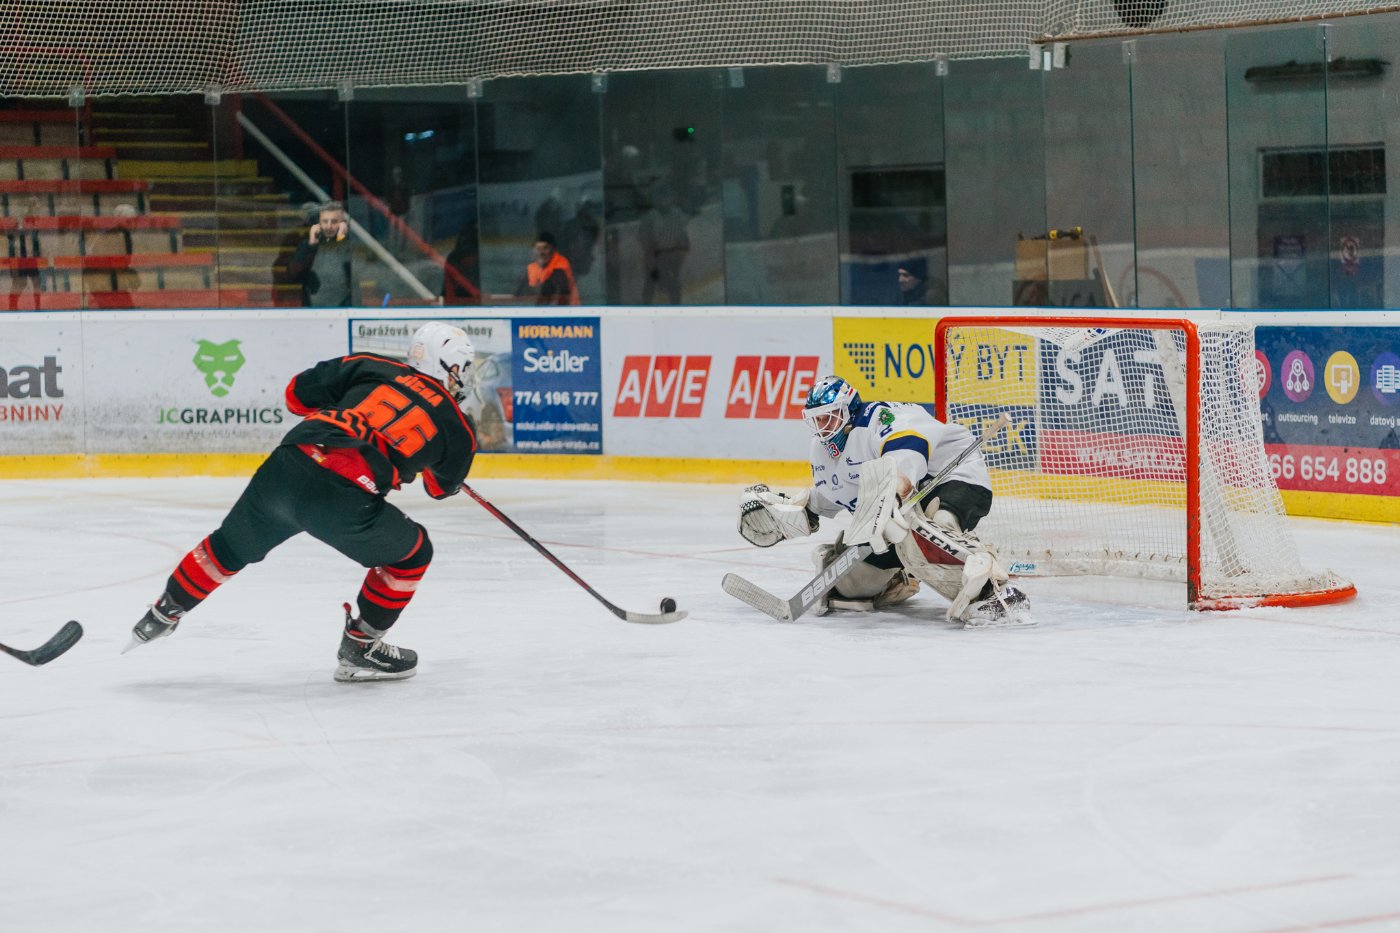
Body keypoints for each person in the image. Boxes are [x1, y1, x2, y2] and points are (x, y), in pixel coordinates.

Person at [124, 322, 480, 681]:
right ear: (451, 367)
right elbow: (439, 488)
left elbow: (296, 396)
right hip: (344, 497)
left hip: (290, 463)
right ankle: (361, 645)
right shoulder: (458, 427)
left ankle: (163, 613)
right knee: (413, 554)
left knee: (228, 547)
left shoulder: (371, 365)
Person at [737, 375, 1034, 627]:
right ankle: (899, 579)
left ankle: (996, 591)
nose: (823, 426)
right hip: (898, 502)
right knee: (849, 584)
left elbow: (910, 447)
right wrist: (796, 513)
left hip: (952, 478)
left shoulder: (878, 418)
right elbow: (833, 493)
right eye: (817, 419)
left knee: (918, 532)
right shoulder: (821, 450)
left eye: (829, 416)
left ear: (849, 410)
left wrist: (893, 490)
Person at [287, 200, 361, 308]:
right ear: (319, 223)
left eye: (334, 222)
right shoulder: (307, 245)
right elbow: (293, 275)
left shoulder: (350, 245)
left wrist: (342, 238)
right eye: (325, 221)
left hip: (343, 307)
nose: (329, 226)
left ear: (342, 223)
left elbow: (358, 278)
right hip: (313, 309)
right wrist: (311, 245)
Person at [639, 184, 690, 304]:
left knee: (673, 284)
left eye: (669, 198)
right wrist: (651, 257)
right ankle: (645, 307)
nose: (667, 201)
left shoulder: (677, 213)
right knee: (650, 284)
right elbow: (644, 237)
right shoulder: (650, 216)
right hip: (655, 255)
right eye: (664, 198)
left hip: (672, 255)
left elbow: (683, 235)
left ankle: (676, 307)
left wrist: (681, 251)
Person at [515, 232, 580, 305]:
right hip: (540, 308)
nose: (541, 253)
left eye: (545, 248)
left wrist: (532, 289)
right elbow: (519, 292)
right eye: (538, 249)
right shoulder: (532, 267)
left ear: (553, 250)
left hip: (568, 309)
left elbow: (553, 289)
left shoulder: (561, 264)